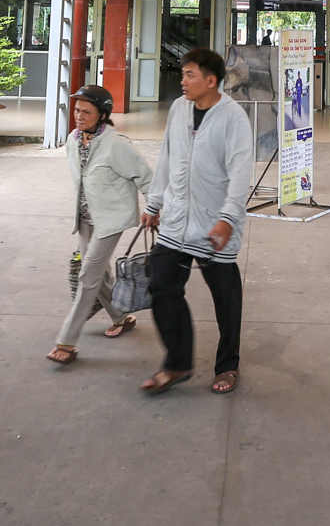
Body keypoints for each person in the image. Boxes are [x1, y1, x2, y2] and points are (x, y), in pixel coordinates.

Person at [140, 48, 254, 395]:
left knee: (225, 300)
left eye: (190, 75)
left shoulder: (233, 117)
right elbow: (167, 157)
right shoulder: (179, 108)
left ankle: (228, 365)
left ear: (211, 80)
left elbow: (240, 173)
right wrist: (155, 203)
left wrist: (227, 219)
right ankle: (177, 363)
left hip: (213, 225)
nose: (183, 81)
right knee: (161, 284)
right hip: (176, 221)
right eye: (183, 74)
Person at [47, 84, 152, 366]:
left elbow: (145, 177)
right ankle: (121, 317)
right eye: (77, 110)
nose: (78, 116)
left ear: (102, 115)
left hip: (110, 220)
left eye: (86, 112)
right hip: (85, 218)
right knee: (98, 275)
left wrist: (153, 209)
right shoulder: (74, 140)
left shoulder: (116, 144)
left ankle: (66, 341)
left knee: (88, 276)